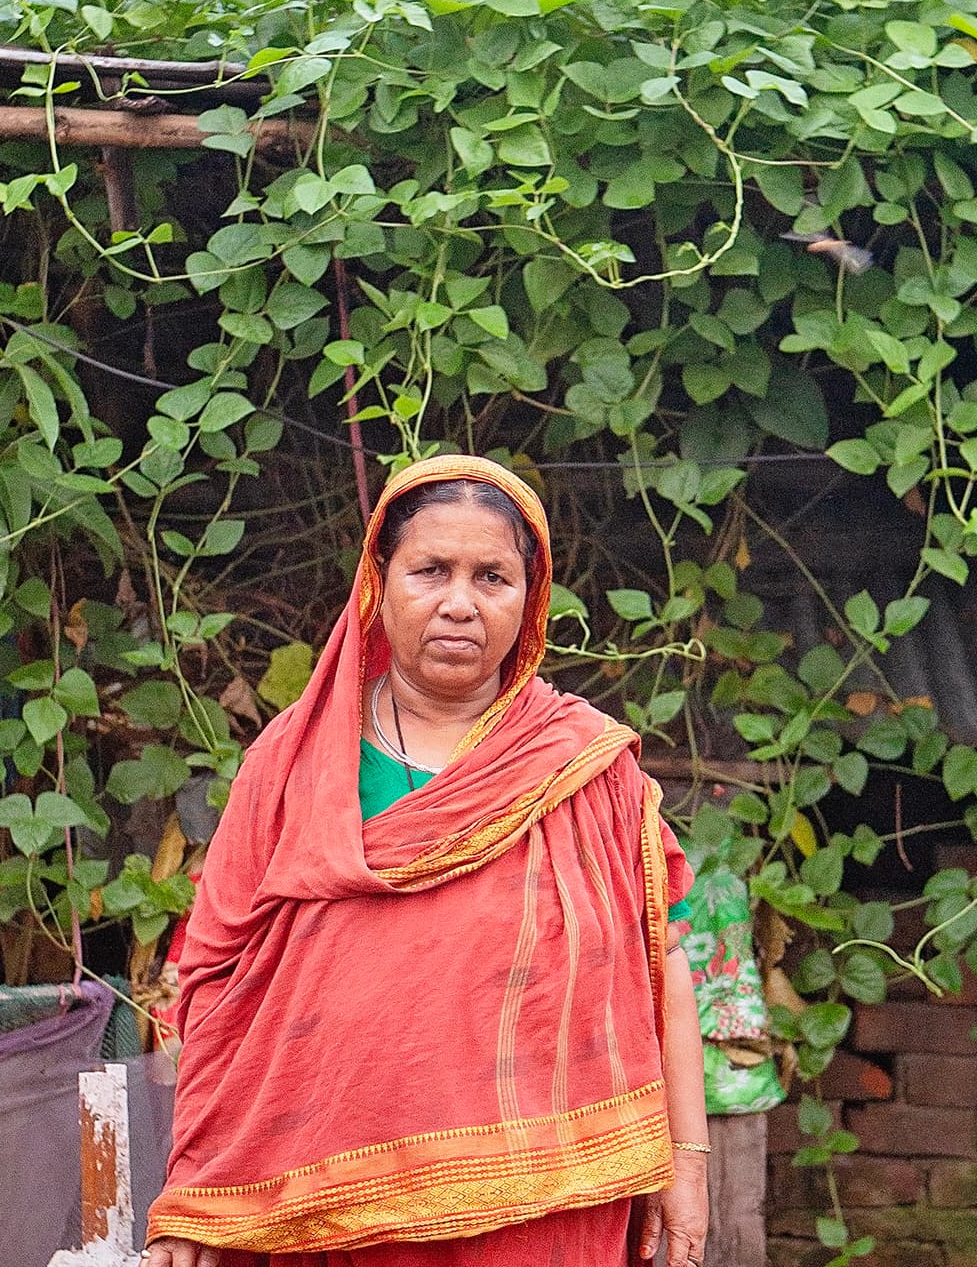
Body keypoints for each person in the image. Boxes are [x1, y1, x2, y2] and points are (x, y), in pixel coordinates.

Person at [139, 455, 710, 1267]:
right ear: (379, 581)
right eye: (430, 570)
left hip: (542, 1209)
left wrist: (687, 1163)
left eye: (492, 577)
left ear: (530, 596)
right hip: (330, 1209)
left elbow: (667, 971)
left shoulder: (587, 766)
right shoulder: (294, 763)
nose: (458, 604)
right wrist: (195, 1189)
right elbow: (213, 987)